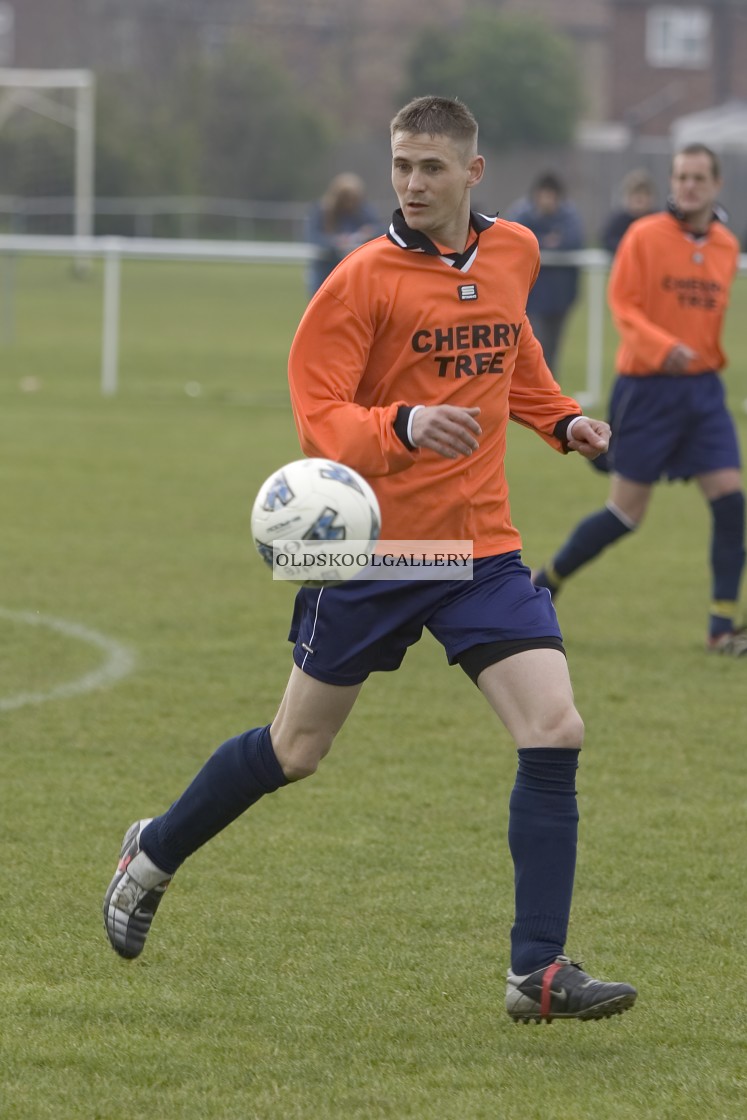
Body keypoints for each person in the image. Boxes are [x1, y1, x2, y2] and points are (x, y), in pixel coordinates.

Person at [103, 96, 637, 1024]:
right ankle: (152, 850)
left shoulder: (513, 250)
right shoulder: (358, 281)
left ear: (474, 172)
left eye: (432, 167)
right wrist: (400, 423)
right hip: (379, 549)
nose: (412, 183)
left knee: (554, 730)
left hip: (479, 548)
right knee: (295, 750)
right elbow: (320, 418)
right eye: (401, 165)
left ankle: (535, 972)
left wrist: (560, 419)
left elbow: (509, 353)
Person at [533, 144, 746, 656]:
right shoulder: (644, 235)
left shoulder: (723, 246)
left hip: (702, 392)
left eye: (698, 177)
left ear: (716, 185)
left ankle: (722, 627)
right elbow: (623, 304)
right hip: (648, 389)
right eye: (681, 176)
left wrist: (700, 357)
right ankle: (546, 581)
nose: (688, 185)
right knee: (627, 513)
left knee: (732, 501)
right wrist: (661, 346)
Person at [505, 171, 584, 378]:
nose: (548, 199)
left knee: (553, 350)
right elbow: (515, 240)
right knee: (533, 349)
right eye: (544, 194)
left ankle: (550, 396)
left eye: (552, 195)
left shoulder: (569, 216)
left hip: (561, 297)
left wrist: (539, 242)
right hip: (531, 298)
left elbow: (573, 241)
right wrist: (545, 241)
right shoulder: (521, 213)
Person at [305, 172, 381, 296]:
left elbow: (380, 232)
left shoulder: (364, 211)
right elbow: (313, 237)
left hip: (354, 270)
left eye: (354, 199)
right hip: (325, 269)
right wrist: (335, 242)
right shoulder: (322, 211)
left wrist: (368, 233)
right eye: (346, 198)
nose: (349, 203)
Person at [600, 169, 657, 255]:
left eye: (644, 194)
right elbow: (607, 240)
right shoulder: (618, 221)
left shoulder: (656, 220)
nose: (639, 198)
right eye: (635, 194)